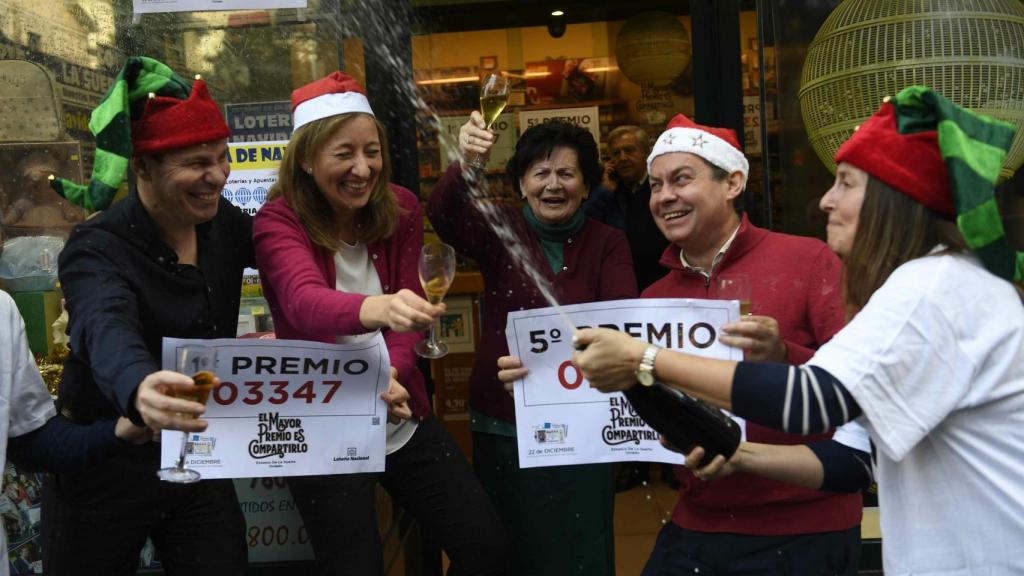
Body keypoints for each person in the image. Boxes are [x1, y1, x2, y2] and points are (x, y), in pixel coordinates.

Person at [573, 86, 1024, 575]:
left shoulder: (930, 287)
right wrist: (738, 454)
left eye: (846, 183)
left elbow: (815, 400)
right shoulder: (936, 282)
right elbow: (857, 453)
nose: (826, 200)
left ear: (896, 197)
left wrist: (645, 358)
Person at [557, 113, 867, 575]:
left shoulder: (808, 260)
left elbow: (861, 390)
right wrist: (538, 375)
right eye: (656, 185)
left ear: (733, 182)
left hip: (805, 524)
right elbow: (636, 396)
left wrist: (785, 356)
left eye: (681, 179)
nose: (664, 197)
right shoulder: (653, 299)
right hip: (700, 519)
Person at [253, 71, 508, 576]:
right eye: (343, 153)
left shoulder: (402, 208)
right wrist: (381, 308)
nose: (362, 168)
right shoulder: (277, 221)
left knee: (487, 549)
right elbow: (303, 302)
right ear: (306, 157)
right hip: (321, 422)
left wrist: (388, 371)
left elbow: (411, 317)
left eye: (371, 151)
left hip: (397, 407)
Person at [43, 56, 252, 575]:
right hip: (106, 461)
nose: (218, 176)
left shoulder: (224, 224)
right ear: (142, 168)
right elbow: (103, 323)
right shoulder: (97, 245)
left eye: (223, 159)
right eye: (198, 163)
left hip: (197, 456)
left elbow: (294, 268)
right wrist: (141, 388)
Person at [428, 113, 637, 576]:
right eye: (540, 173)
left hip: (584, 425)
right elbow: (442, 215)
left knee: (579, 546)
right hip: (504, 422)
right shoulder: (498, 227)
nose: (553, 185)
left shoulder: (608, 242)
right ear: (521, 183)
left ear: (585, 184)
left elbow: (619, 319)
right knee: (504, 546)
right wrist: (468, 163)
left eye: (566, 173)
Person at [584, 126, 672, 490]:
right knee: (631, 386)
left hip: (663, 298)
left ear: (646, 153)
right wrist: (605, 192)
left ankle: (670, 465)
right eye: (615, 153)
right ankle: (635, 465)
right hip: (625, 302)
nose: (621, 159)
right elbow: (588, 222)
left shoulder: (658, 192)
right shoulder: (611, 194)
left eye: (629, 151)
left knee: (666, 382)